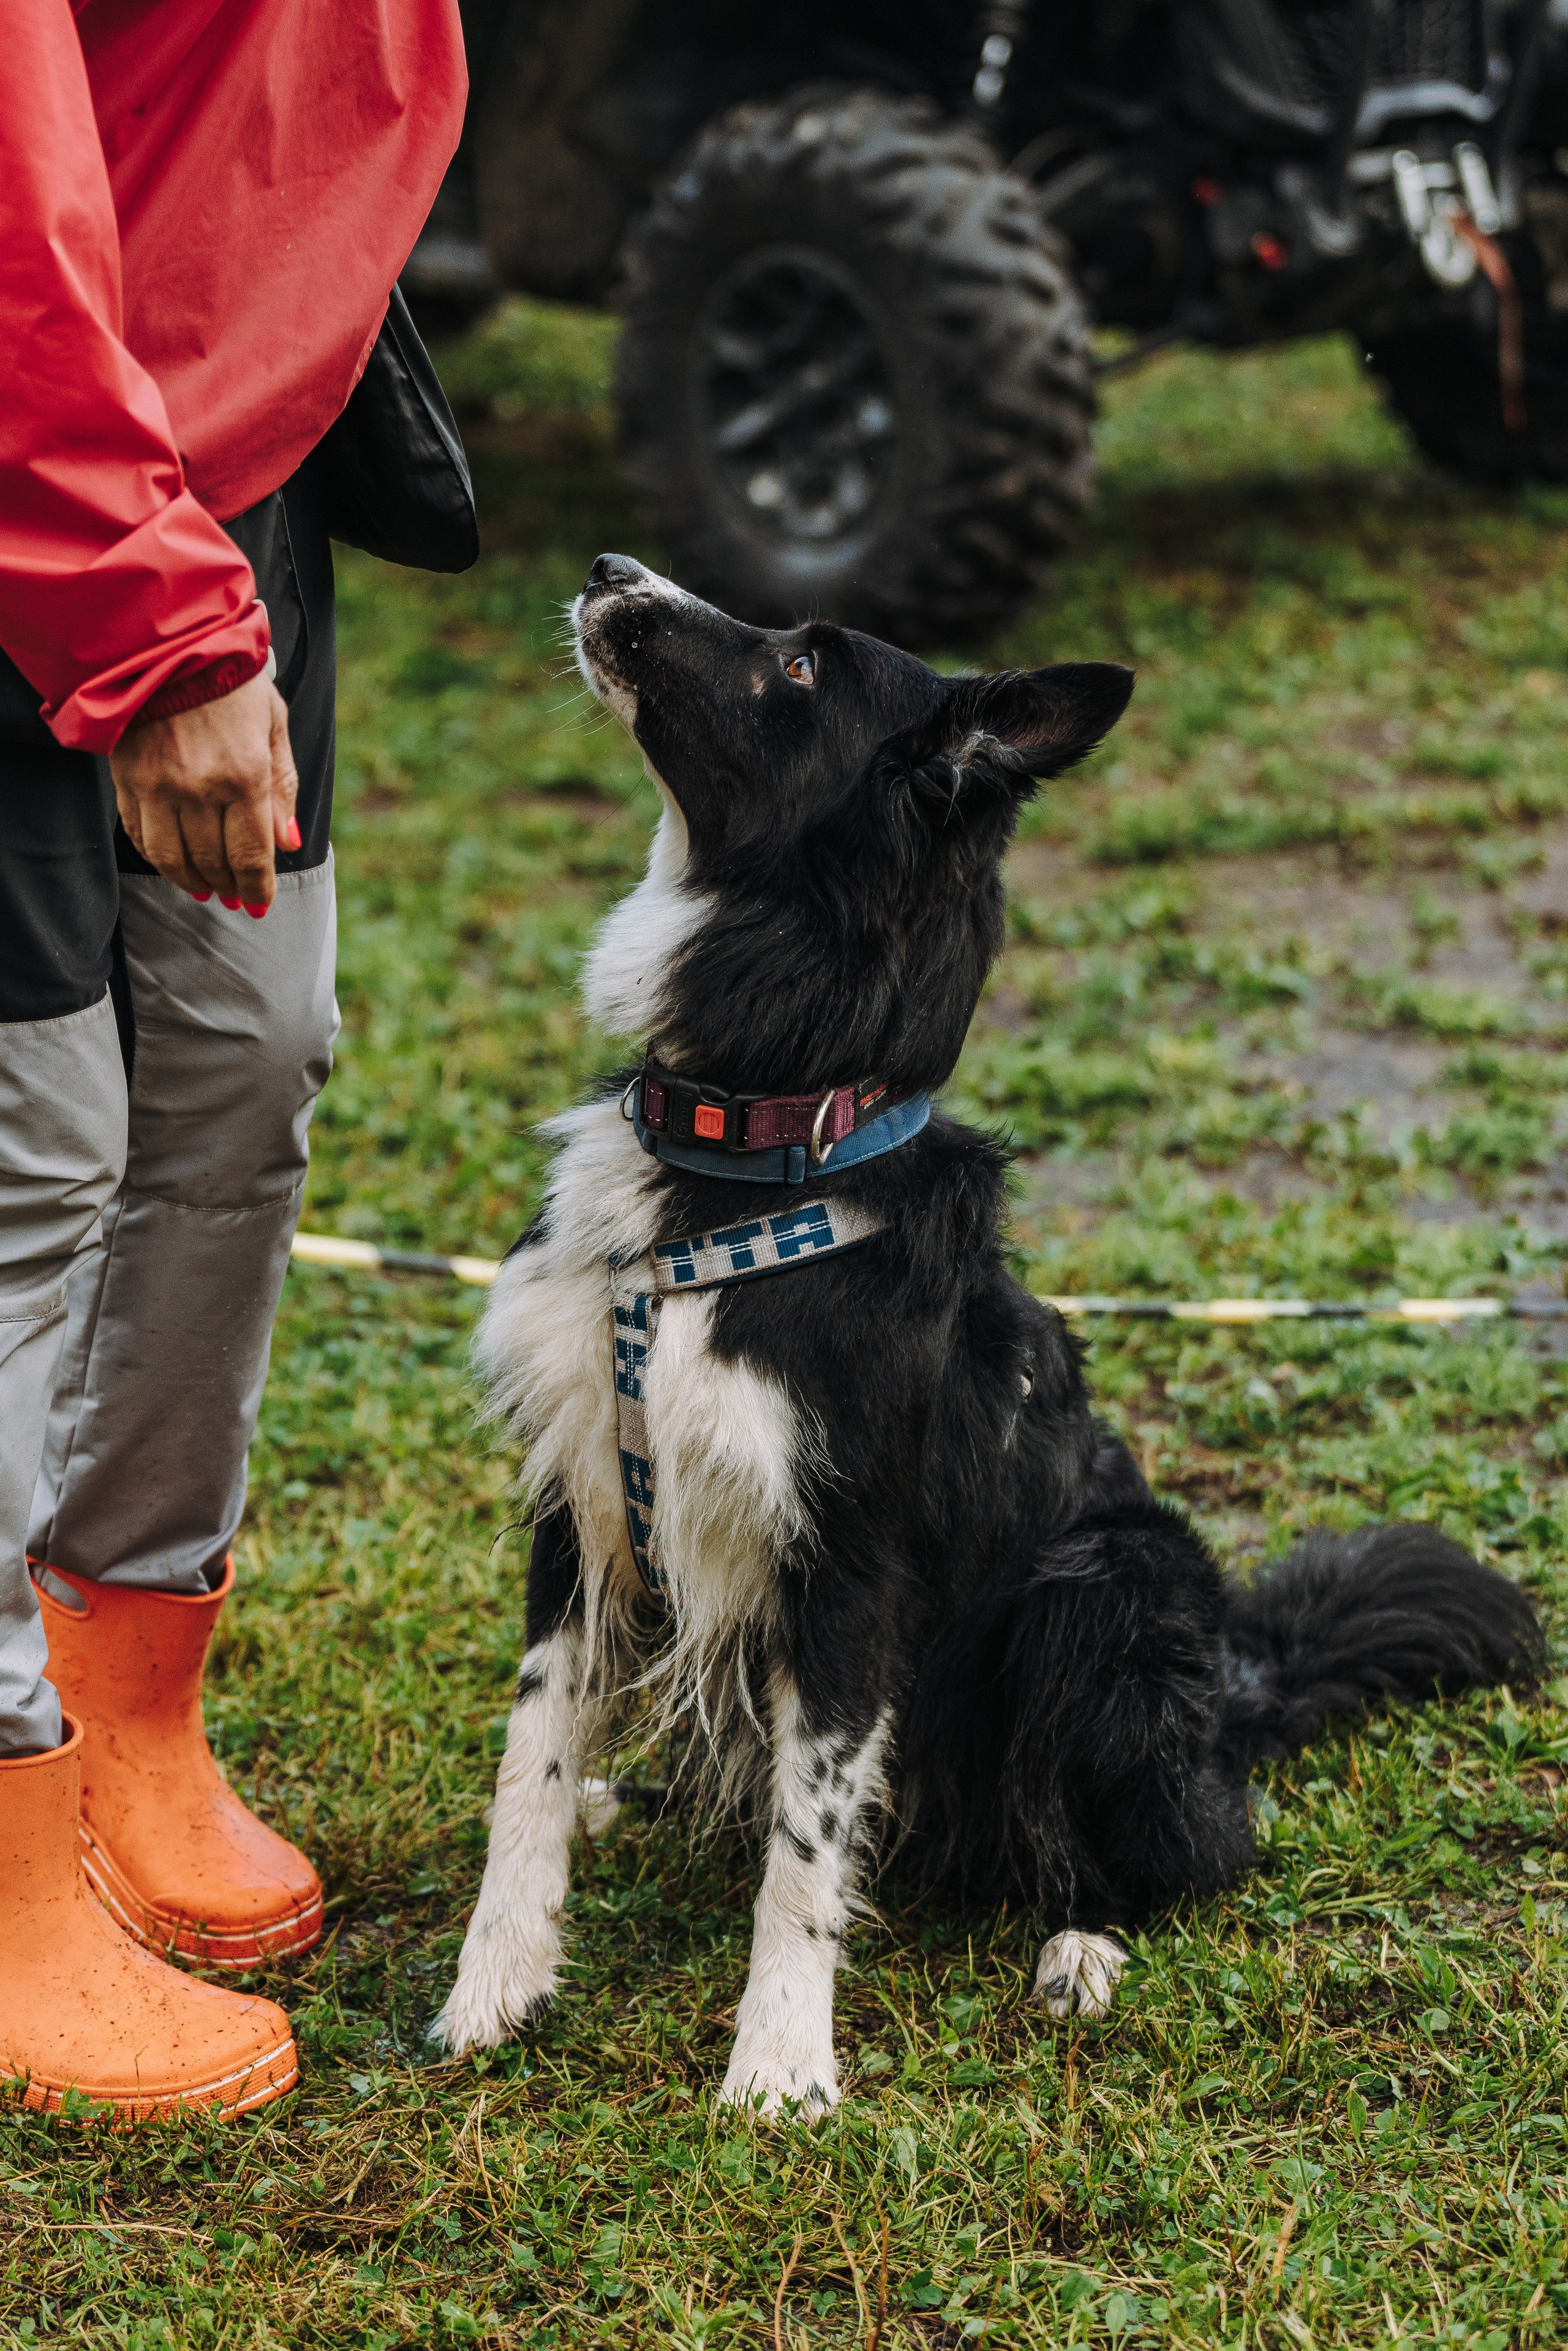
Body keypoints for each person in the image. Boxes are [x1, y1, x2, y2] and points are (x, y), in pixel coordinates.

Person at [0, 0, 467, 2119]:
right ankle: (5, 1830)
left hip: (231, 436)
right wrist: (148, 620)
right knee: (30, 1151)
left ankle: (128, 1699)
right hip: (34, 440)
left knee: (246, 1060)